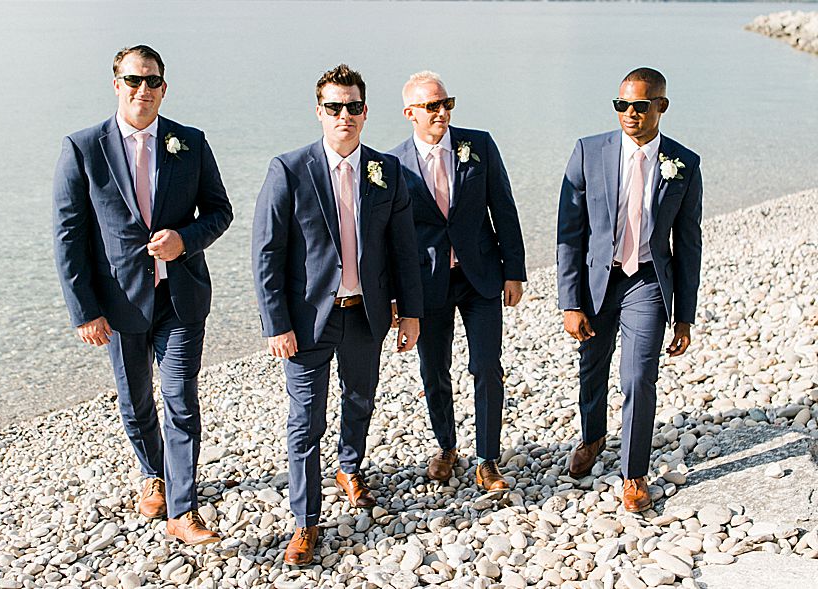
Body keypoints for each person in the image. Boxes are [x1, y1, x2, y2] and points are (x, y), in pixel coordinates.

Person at [51, 44, 233, 545]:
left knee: (179, 398)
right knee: (135, 402)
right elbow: (69, 236)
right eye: (133, 80)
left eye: (152, 81)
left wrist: (184, 241)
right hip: (119, 303)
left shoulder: (190, 142)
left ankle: (183, 508)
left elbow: (220, 212)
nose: (143, 90)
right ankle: (152, 472)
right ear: (116, 84)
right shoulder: (84, 147)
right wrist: (84, 309)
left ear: (164, 88)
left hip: (181, 299)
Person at [251, 64, 422, 566]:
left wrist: (409, 313)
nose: (343, 115)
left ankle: (350, 466)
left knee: (361, 399)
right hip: (306, 321)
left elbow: (403, 248)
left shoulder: (386, 170)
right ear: (319, 113)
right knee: (305, 421)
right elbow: (267, 251)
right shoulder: (288, 169)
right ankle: (305, 523)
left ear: (365, 113)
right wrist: (275, 323)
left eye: (352, 107)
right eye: (333, 107)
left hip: (366, 315)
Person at [557, 67, 702, 512]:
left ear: (661, 106)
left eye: (640, 105)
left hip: (647, 282)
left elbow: (689, 241)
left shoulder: (684, 163)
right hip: (598, 279)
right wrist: (570, 301)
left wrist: (685, 314)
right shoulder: (588, 152)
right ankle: (592, 436)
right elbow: (569, 229)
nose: (630, 114)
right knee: (592, 367)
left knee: (639, 376)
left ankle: (633, 473)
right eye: (622, 105)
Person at [385, 71, 527, 491]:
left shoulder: (478, 145)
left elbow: (504, 207)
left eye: (447, 103)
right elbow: (388, 238)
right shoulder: (391, 165)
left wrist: (514, 270)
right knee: (434, 369)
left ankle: (487, 459)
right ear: (410, 113)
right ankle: (446, 446)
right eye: (432, 106)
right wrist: (395, 295)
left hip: (480, 275)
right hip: (425, 284)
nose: (442, 112)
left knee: (487, 366)